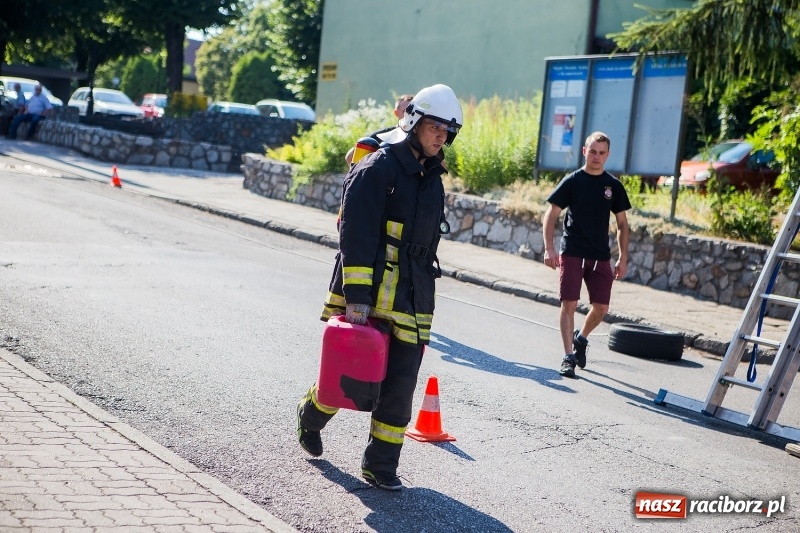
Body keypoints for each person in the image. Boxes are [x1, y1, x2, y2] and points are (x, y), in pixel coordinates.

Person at [297, 84, 463, 491]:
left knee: (401, 383)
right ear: (414, 122)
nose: (441, 135)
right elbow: (355, 234)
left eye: (448, 130)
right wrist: (356, 298)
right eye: (435, 126)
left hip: (413, 296)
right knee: (352, 377)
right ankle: (311, 412)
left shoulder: (432, 177)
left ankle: (380, 466)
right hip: (369, 295)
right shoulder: (378, 167)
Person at [542, 131, 631, 378]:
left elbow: (623, 224)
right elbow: (551, 214)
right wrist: (549, 248)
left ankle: (581, 338)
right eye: (592, 151)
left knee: (601, 308)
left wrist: (623, 258)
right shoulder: (572, 181)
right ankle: (568, 356)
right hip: (572, 252)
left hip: (600, 255)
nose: (596, 156)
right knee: (569, 304)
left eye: (602, 153)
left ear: (608, 155)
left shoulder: (613, 186)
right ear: (584, 151)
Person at [344, 94, 414, 166]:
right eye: (405, 111)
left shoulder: (421, 138)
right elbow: (350, 156)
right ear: (396, 113)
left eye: (412, 112)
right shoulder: (380, 137)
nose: (409, 115)